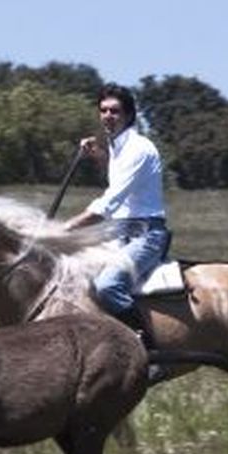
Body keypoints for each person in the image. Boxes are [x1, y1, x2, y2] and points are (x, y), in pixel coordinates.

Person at [65, 83, 170, 347]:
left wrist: (63, 229)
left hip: (146, 235)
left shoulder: (139, 149)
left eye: (115, 111)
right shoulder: (118, 146)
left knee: (108, 286)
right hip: (119, 232)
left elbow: (109, 203)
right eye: (103, 111)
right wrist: (99, 156)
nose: (108, 116)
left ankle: (146, 345)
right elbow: (118, 178)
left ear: (129, 115)